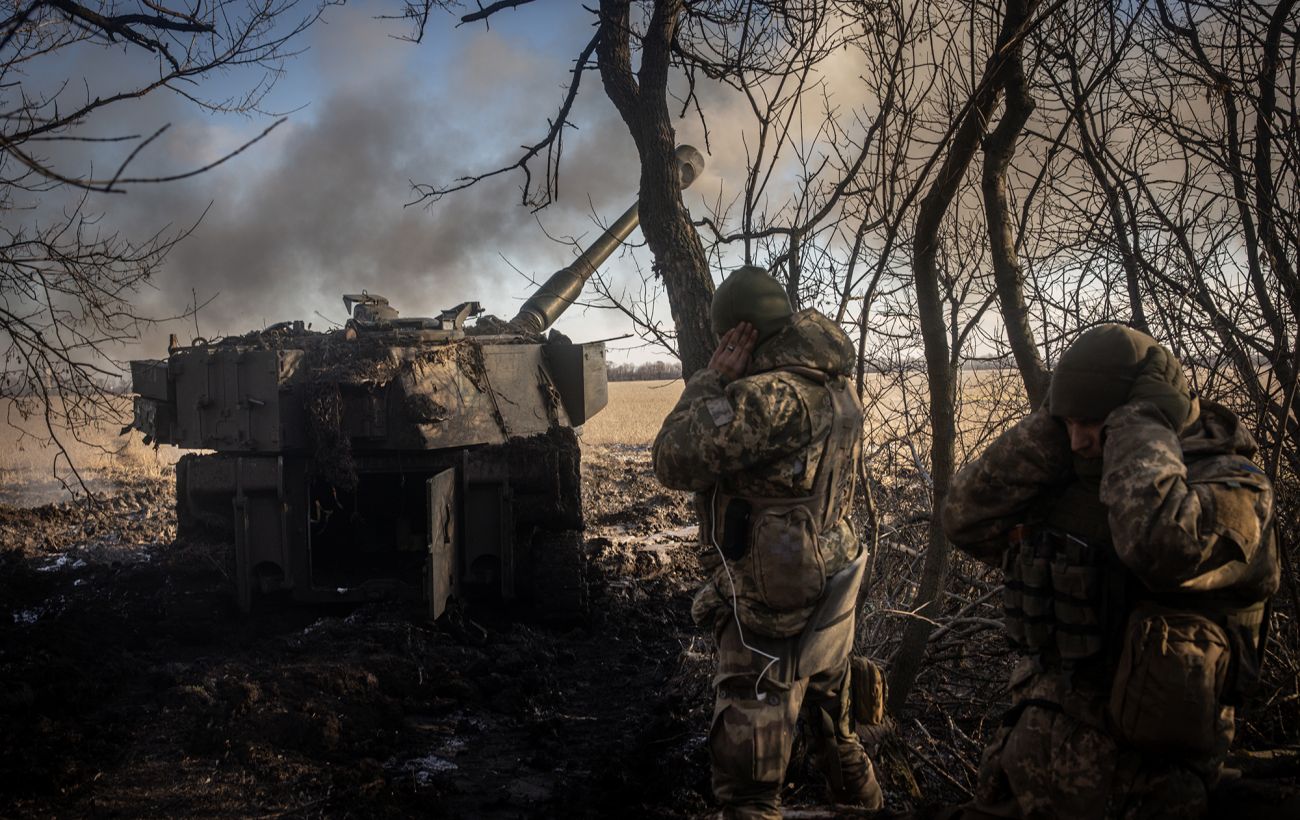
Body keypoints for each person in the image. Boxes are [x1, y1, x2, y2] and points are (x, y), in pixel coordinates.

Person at [941, 324, 1279, 819]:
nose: (1077, 441)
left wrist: (1139, 425)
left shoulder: (1236, 489)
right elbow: (963, 517)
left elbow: (1160, 548)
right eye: (1067, 424)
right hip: (1023, 782)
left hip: (1141, 797)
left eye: (1092, 423)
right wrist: (1050, 430)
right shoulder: (1075, 481)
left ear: (1146, 413)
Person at [653, 265, 882, 820]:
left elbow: (672, 458)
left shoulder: (770, 399)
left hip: (770, 611)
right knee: (839, 743)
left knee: (749, 790)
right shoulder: (834, 382)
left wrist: (710, 379)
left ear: (741, 334)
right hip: (830, 588)